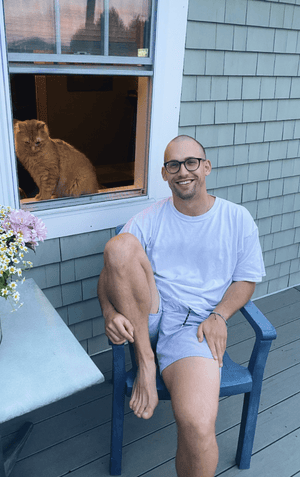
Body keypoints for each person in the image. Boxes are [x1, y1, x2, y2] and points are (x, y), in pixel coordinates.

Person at [97, 135, 265, 477]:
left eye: (191, 162)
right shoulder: (149, 218)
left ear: (206, 167)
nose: (182, 171)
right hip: (150, 313)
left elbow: (246, 279)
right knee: (118, 247)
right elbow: (109, 272)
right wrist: (109, 312)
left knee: (197, 424)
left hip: (194, 326)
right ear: (164, 173)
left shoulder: (236, 219)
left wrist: (220, 315)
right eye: (173, 164)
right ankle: (146, 362)